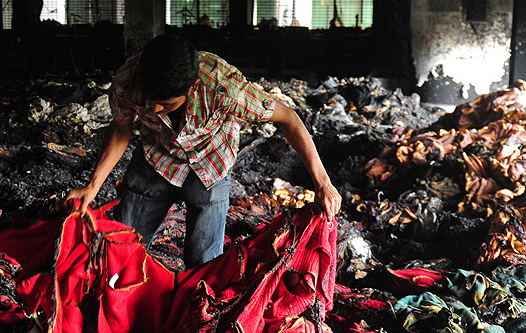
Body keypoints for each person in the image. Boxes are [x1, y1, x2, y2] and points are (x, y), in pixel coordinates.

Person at [65, 33, 341, 268]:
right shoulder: (127, 81)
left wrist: (323, 183)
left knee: (204, 263)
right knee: (121, 249)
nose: (154, 110)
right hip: (157, 159)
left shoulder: (224, 87)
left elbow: (289, 118)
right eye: (149, 102)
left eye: (166, 104)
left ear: (193, 87)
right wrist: (92, 185)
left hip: (211, 162)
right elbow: (121, 129)